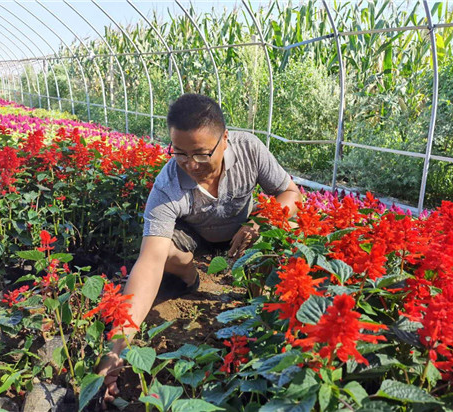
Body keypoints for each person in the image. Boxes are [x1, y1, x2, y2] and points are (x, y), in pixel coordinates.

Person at [98, 94, 302, 406]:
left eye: (201, 154)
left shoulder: (250, 149)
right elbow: (149, 263)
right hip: (194, 237)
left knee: (288, 234)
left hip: (242, 232)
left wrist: (261, 223)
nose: (190, 164)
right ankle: (192, 276)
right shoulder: (167, 185)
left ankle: (256, 289)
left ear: (225, 140)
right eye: (179, 153)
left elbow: (291, 193)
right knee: (164, 253)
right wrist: (116, 347)